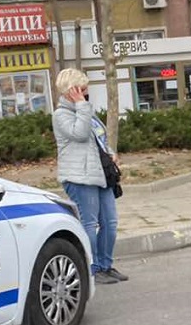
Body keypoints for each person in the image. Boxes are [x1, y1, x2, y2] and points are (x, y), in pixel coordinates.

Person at [52, 68, 128, 285]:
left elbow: (98, 138)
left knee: (110, 222)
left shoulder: (86, 111)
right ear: (71, 90)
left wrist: (111, 153)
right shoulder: (61, 115)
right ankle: (92, 268)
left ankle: (106, 265)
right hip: (79, 177)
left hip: (101, 173)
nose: (86, 92)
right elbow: (80, 133)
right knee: (89, 222)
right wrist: (81, 105)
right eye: (82, 88)